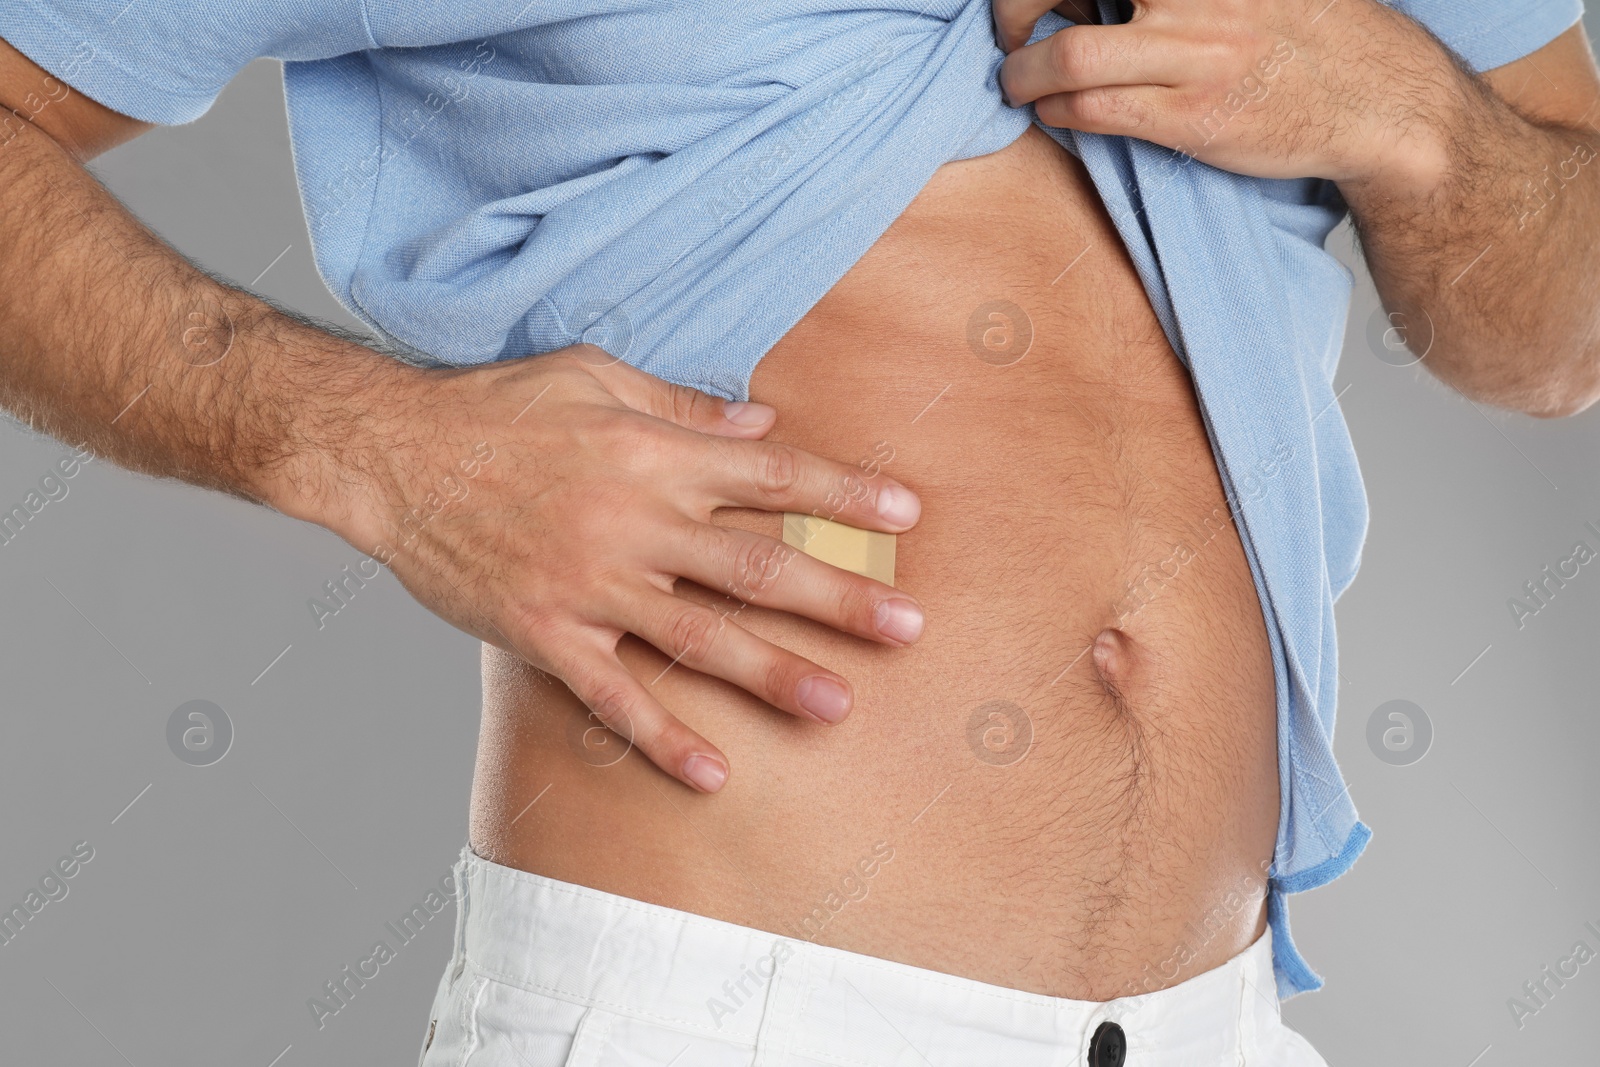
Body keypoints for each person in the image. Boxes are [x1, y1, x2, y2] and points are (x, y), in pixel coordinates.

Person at [2, 0, 1596, 1063]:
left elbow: (1560, 339)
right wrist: (370, 443)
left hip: (1212, 1018)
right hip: (731, 1014)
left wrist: (1420, 121)